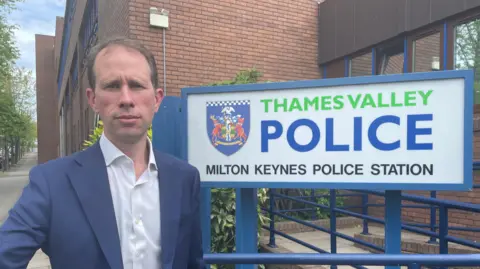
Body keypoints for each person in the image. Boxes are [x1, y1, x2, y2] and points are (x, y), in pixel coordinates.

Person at [0, 37, 205, 269]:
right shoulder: (51, 182)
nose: (126, 99)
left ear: (156, 99)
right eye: (112, 86)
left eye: (137, 85)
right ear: (93, 99)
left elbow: (193, 262)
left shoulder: (184, 179)